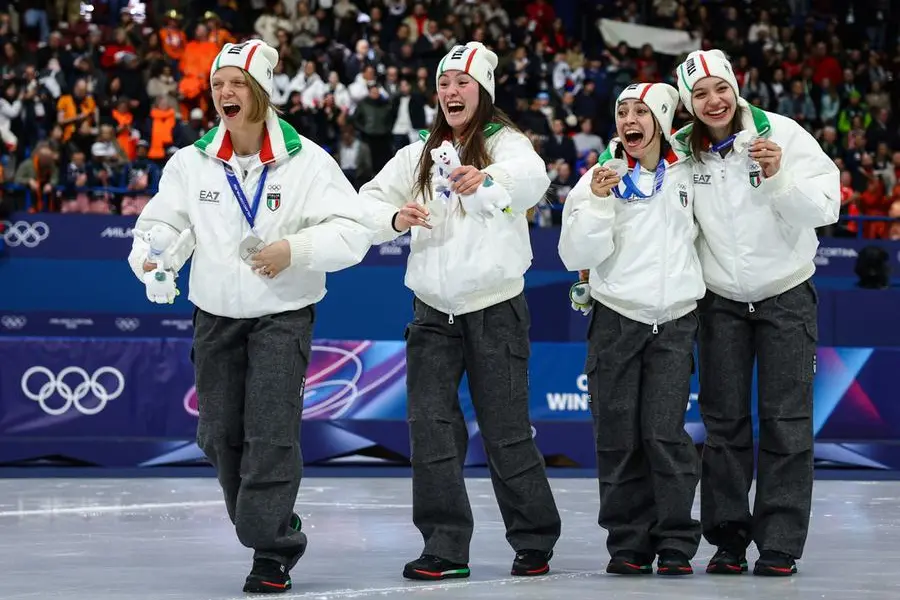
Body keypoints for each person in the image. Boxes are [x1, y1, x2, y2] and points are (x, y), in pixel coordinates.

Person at [127, 40, 382, 594]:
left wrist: (296, 250)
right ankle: (266, 523)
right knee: (218, 434)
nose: (225, 93)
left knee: (270, 431)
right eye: (219, 84)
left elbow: (353, 231)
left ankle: (271, 548)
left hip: (281, 317)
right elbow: (163, 226)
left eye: (237, 84)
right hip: (214, 315)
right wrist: (155, 258)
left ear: (262, 92)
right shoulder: (191, 162)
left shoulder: (309, 160)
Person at [359, 41, 562, 580]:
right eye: (445, 84)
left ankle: (534, 537)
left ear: (483, 92)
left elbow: (532, 178)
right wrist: (395, 219)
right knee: (430, 429)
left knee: (505, 430)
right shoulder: (419, 152)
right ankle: (445, 547)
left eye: (462, 84)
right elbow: (366, 200)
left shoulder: (506, 144)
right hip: (431, 313)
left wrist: (488, 180)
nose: (451, 92)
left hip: (494, 308)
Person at [672, 49, 840, 576]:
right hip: (720, 301)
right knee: (723, 426)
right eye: (700, 94)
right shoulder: (683, 153)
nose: (713, 101)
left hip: (785, 295)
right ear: (687, 103)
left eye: (720, 88)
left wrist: (779, 177)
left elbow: (827, 207)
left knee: (787, 423)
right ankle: (726, 540)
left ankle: (780, 545)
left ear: (736, 87)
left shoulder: (783, 134)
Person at [559, 82, 704, 576]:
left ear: (661, 122)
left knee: (665, 434)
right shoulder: (597, 178)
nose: (629, 120)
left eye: (641, 111)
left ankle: (676, 542)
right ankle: (628, 543)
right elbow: (574, 255)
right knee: (618, 435)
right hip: (616, 318)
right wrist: (599, 202)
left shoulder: (690, 172)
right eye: (622, 111)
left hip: (676, 319)